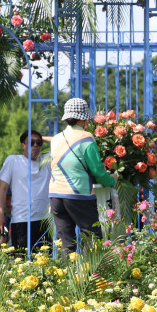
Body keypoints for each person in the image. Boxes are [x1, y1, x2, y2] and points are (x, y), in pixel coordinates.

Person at [49, 98, 117, 254]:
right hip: (78, 194)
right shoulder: (86, 138)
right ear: (84, 118)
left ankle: (67, 277)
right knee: (93, 240)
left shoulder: (56, 138)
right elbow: (98, 171)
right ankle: (93, 276)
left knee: (67, 244)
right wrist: (112, 179)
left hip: (55, 195)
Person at [0, 130, 51, 253]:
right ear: (23, 145)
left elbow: (64, 142)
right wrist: (0, 214)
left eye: (39, 142)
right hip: (21, 220)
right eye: (31, 142)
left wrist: (43, 137)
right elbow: (3, 189)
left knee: (46, 263)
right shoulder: (13, 161)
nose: (36, 145)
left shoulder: (47, 160)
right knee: (21, 262)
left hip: (44, 221)